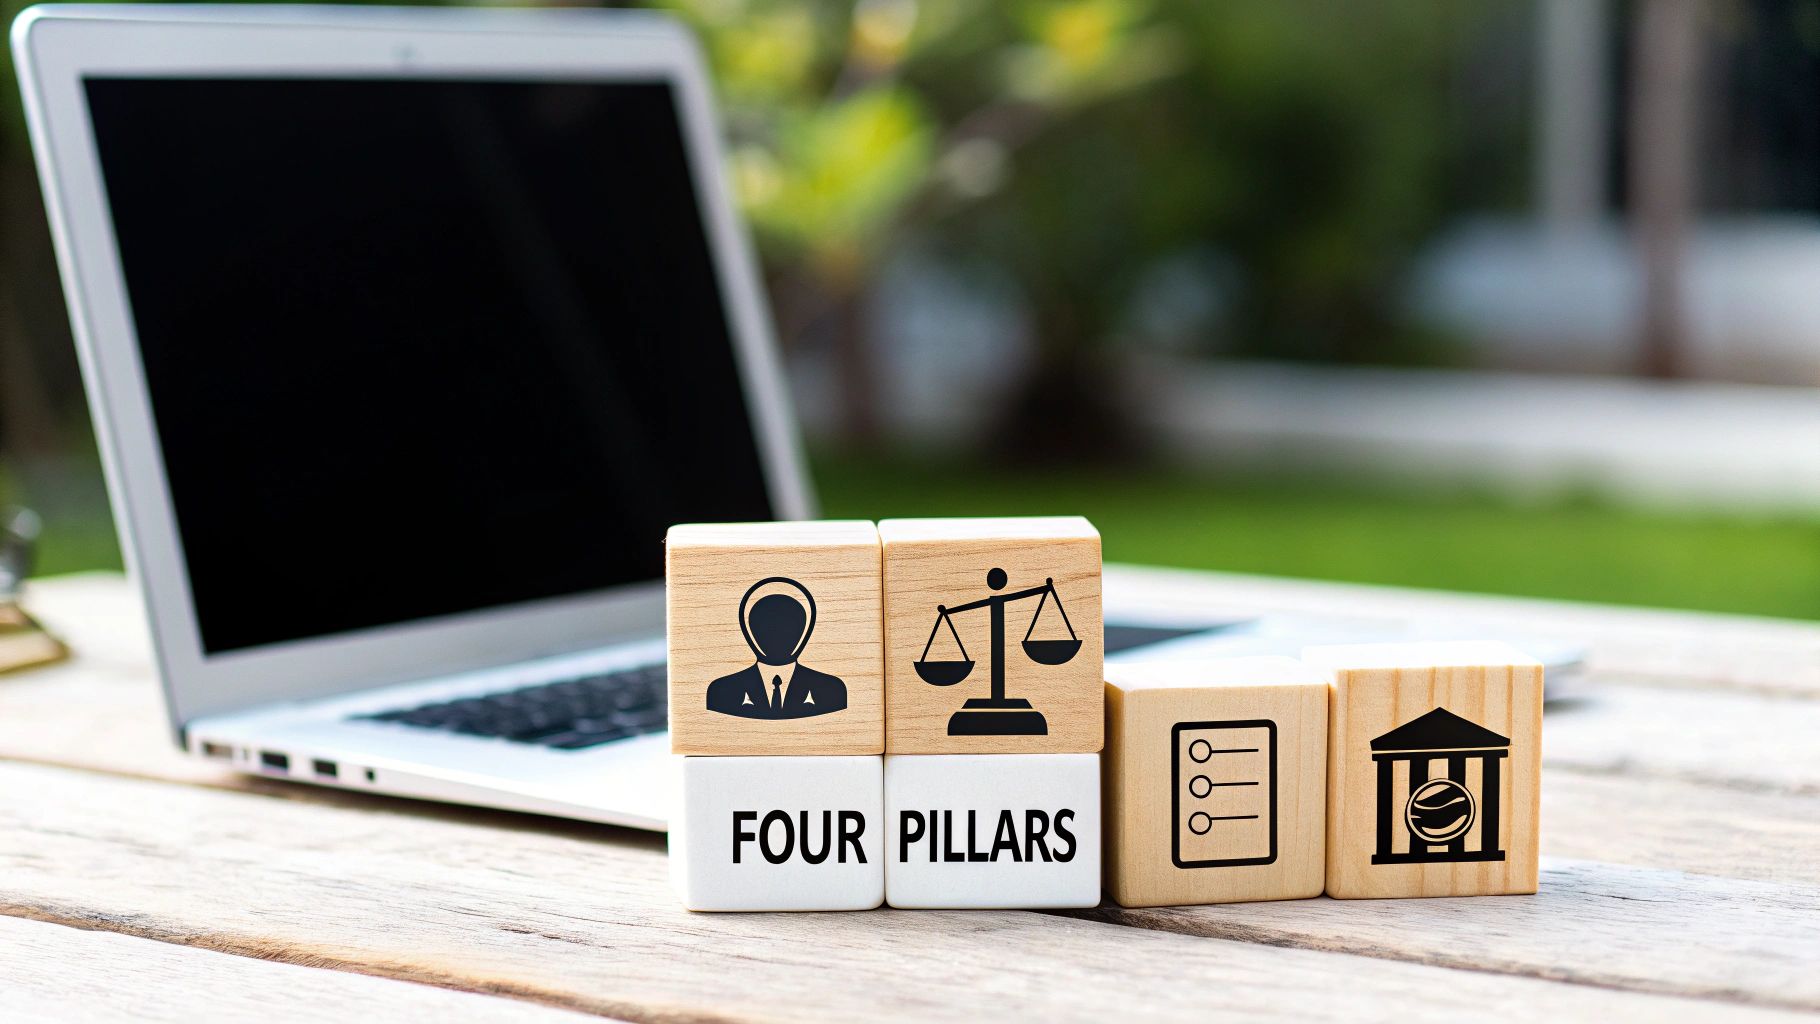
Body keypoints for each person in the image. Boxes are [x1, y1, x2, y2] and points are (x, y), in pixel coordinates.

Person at [706, 578, 847, 720]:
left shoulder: (832, 689)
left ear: (804, 630)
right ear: (751, 631)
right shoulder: (721, 691)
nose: (778, 635)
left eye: (788, 627)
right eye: (767, 627)